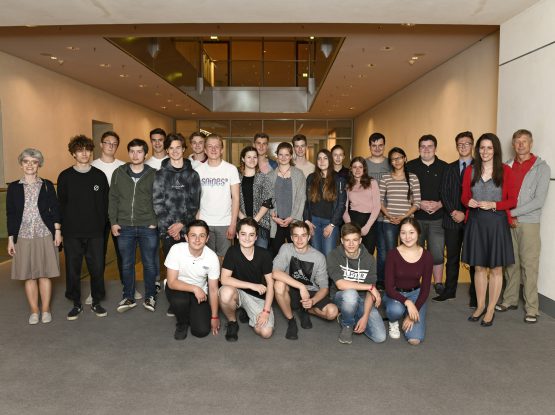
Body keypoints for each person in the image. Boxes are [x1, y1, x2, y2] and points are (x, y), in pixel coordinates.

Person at [462, 133, 517, 327]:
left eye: (489, 148)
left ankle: (491, 308)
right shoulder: (470, 170)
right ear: (478, 150)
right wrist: (468, 201)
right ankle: (480, 305)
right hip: (476, 222)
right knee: (478, 267)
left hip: (496, 223)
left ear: (496, 150)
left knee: (495, 268)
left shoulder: (505, 171)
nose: (485, 151)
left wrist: (493, 203)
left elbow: (512, 200)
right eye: (482, 148)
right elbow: (464, 197)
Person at [496, 129, 550, 324]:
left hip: (528, 223)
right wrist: (507, 215)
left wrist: (512, 213)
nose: (520, 145)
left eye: (524, 141)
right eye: (517, 142)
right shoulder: (506, 166)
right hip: (508, 221)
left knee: (529, 266)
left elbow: (538, 201)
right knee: (511, 264)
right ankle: (510, 300)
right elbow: (501, 195)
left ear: (531, 143)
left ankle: (532, 308)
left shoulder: (541, 168)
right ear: (513, 144)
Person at [6, 148, 62, 324]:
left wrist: (58, 231)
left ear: (39, 165)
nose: (30, 165)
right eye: (26, 161)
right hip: (22, 235)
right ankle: (34, 310)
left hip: (44, 233)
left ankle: (45, 310)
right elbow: (11, 214)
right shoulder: (14, 187)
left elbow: (55, 209)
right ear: (21, 164)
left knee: (44, 274)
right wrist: (10, 239)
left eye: (34, 162)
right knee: (29, 275)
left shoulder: (46, 185)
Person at [57, 135, 109, 320]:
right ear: (73, 153)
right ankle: (76, 302)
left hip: (95, 232)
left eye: (87, 149)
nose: (84, 153)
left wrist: (102, 226)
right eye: (80, 150)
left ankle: (96, 301)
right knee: (73, 269)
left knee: (97, 268)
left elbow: (105, 204)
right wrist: (60, 231)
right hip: (72, 232)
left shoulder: (99, 176)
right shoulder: (65, 176)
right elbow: (60, 206)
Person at [110, 138, 159, 313]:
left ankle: (150, 296)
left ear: (146, 154)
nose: (135, 155)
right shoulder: (119, 173)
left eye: (139, 151)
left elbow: (159, 200)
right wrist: (113, 222)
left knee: (149, 264)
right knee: (126, 264)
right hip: (124, 226)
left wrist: (155, 221)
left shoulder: (154, 174)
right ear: (128, 153)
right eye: (132, 151)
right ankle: (128, 296)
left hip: (148, 226)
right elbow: (113, 199)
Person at [273, 221, 338, 340]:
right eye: (296, 236)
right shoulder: (286, 248)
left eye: (303, 235)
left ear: (309, 237)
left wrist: (312, 301)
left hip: (311, 292)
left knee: (332, 312)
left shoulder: (318, 257)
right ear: (291, 238)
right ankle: (291, 320)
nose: (299, 240)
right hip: (292, 289)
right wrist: (301, 287)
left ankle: (306, 310)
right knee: (278, 284)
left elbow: (324, 288)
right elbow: (275, 272)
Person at [435, 131, 476, 304]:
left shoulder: (480, 167)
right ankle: (449, 291)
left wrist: (465, 214)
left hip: (473, 220)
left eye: (466, 143)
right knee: (451, 258)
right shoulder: (449, 168)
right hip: (451, 220)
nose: (463, 147)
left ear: (472, 145)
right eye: (460, 144)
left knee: (475, 258)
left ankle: (475, 295)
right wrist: (453, 212)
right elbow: (443, 192)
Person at [327, 223, 386, 345]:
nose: (351, 244)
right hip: (341, 296)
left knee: (379, 337)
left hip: (363, 299)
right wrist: (370, 287)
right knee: (350, 294)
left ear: (360, 240)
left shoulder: (369, 259)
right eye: (347, 240)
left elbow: (370, 293)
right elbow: (341, 285)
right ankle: (347, 324)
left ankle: (349, 315)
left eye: (354, 240)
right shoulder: (334, 255)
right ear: (342, 241)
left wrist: (365, 317)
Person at [88, 130, 128, 304]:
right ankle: (95, 290)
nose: (110, 146)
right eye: (107, 143)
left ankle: (128, 288)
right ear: (101, 144)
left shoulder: (123, 166)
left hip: (119, 216)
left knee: (123, 253)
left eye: (114, 144)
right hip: (97, 216)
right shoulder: (92, 166)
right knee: (97, 254)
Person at [219, 218, 275, 341]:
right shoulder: (232, 252)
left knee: (266, 332)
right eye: (243, 234)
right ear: (237, 235)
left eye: (251, 235)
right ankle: (232, 322)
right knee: (225, 292)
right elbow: (224, 279)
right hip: (237, 292)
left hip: (257, 297)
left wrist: (265, 311)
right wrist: (252, 285)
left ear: (256, 237)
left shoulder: (264, 255)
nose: (247, 238)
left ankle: (248, 313)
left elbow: (270, 284)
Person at [164, 220, 220, 340]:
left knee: (201, 331)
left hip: (199, 293)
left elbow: (214, 289)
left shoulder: (212, 257)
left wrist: (214, 317)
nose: (197, 239)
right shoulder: (176, 250)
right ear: (186, 237)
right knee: (180, 301)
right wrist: (195, 288)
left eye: (202, 235)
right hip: (177, 288)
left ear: (207, 238)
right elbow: (172, 282)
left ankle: (187, 310)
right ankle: (182, 323)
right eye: (193, 235)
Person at [406, 135, 448, 295]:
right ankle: (412, 281)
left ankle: (438, 283)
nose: (426, 149)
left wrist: (440, 204)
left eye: (430, 146)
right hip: (415, 218)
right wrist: (419, 203)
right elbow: (404, 190)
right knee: (414, 251)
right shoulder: (409, 166)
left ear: (435, 148)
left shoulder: (444, 167)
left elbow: (450, 191)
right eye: (423, 146)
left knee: (436, 252)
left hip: (437, 217)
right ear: (418, 149)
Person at [384, 218, 432, 345]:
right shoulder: (393, 254)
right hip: (395, 293)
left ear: (418, 233)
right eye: (403, 232)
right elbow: (388, 287)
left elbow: (425, 289)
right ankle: (393, 320)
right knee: (395, 311)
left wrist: (413, 313)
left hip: (415, 293)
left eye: (411, 232)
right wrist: (407, 302)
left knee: (414, 340)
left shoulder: (427, 256)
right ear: (399, 234)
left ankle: (408, 313)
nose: (407, 237)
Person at [153, 132, 201, 256]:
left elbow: (194, 204)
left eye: (178, 147)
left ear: (184, 149)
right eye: (171, 148)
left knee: (189, 269)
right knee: (172, 270)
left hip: (188, 229)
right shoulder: (160, 175)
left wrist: (181, 225)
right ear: (167, 150)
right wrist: (172, 229)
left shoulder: (193, 175)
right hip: (168, 231)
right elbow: (158, 204)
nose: (175, 151)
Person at [196, 134, 240, 260]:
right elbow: (196, 199)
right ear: (205, 149)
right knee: (205, 258)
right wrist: (197, 222)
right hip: (204, 222)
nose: (213, 149)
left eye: (217, 146)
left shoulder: (231, 169)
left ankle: (222, 281)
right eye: (210, 146)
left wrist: (233, 224)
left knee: (224, 259)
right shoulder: (198, 171)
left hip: (225, 223)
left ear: (222, 149)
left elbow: (236, 198)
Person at [379, 147, 421, 264]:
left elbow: (417, 203)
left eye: (399, 158)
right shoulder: (385, 178)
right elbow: (379, 201)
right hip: (389, 222)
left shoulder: (413, 177)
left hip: (407, 222)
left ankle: (405, 280)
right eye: (393, 159)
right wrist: (388, 216)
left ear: (405, 158)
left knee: (407, 252)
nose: (396, 161)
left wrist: (403, 217)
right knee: (391, 253)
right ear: (390, 162)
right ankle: (391, 281)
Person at [303, 149, 346, 256]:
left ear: (330, 160)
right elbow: (306, 202)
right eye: (319, 158)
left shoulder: (339, 179)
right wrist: (307, 221)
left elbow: (341, 205)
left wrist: (332, 225)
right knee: (315, 255)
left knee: (328, 255)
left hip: (330, 222)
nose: (322, 161)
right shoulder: (311, 178)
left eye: (325, 158)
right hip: (314, 222)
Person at [267, 142, 307, 257]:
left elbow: (301, 198)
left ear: (291, 156)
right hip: (276, 221)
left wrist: (292, 217)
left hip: (293, 221)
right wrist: (273, 216)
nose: (283, 157)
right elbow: (267, 199)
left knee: (296, 254)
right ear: (277, 156)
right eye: (280, 154)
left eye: (286, 155)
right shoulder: (270, 176)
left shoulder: (299, 174)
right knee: (276, 254)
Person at [365, 132, 391, 288]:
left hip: (385, 215)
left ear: (384, 146)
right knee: (367, 250)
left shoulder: (390, 163)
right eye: (374, 145)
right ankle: (367, 280)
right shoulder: (364, 164)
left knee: (383, 251)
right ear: (369, 146)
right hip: (367, 215)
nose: (377, 148)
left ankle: (381, 281)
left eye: (380, 145)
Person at [343, 156, 380, 258]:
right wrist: (350, 226)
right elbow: (344, 208)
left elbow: (377, 206)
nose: (358, 170)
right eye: (355, 167)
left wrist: (367, 227)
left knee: (367, 255)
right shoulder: (348, 185)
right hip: (353, 221)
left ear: (364, 168)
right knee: (352, 254)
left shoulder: (372, 182)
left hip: (369, 222)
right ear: (351, 169)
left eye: (360, 167)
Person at [238, 146, 273, 249]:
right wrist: (243, 219)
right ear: (243, 159)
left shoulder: (263, 177)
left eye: (255, 157)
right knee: (243, 255)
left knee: (260, 254)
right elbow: (232, 199)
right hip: (242, 223)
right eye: (249, 157)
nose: (252, 160)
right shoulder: (236, 177)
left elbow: (268, 201)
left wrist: (255, 220)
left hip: (261, 224)